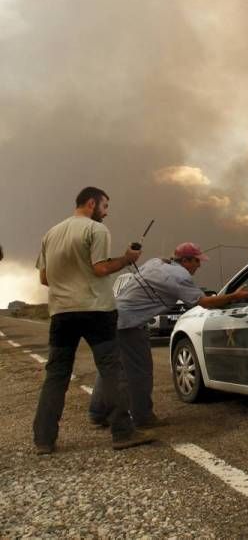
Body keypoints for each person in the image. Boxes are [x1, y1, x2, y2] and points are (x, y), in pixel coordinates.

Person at [33, 186, 155, 454]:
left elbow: (44, 279)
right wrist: (127, 258)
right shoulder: (96, 230)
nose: (106, 213)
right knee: (112, 370)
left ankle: (44, 440)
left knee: (56, 376)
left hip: (61, 313)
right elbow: (100, 268)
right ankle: (123, 433)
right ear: (91, 203)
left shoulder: (50, 234)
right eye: (105, 207)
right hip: (96, 311)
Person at [89, 242, 248, 428]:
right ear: (185, 260)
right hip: (129, 324)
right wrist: (234, 297)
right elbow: (206, 302)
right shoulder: (179, 276)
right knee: (139, 372)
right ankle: (142, 417)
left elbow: (159, 263)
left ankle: (97, 413)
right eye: (196, 261)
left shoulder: (155, 263)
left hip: (111, 317)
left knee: (110, 369)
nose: (198, 265)